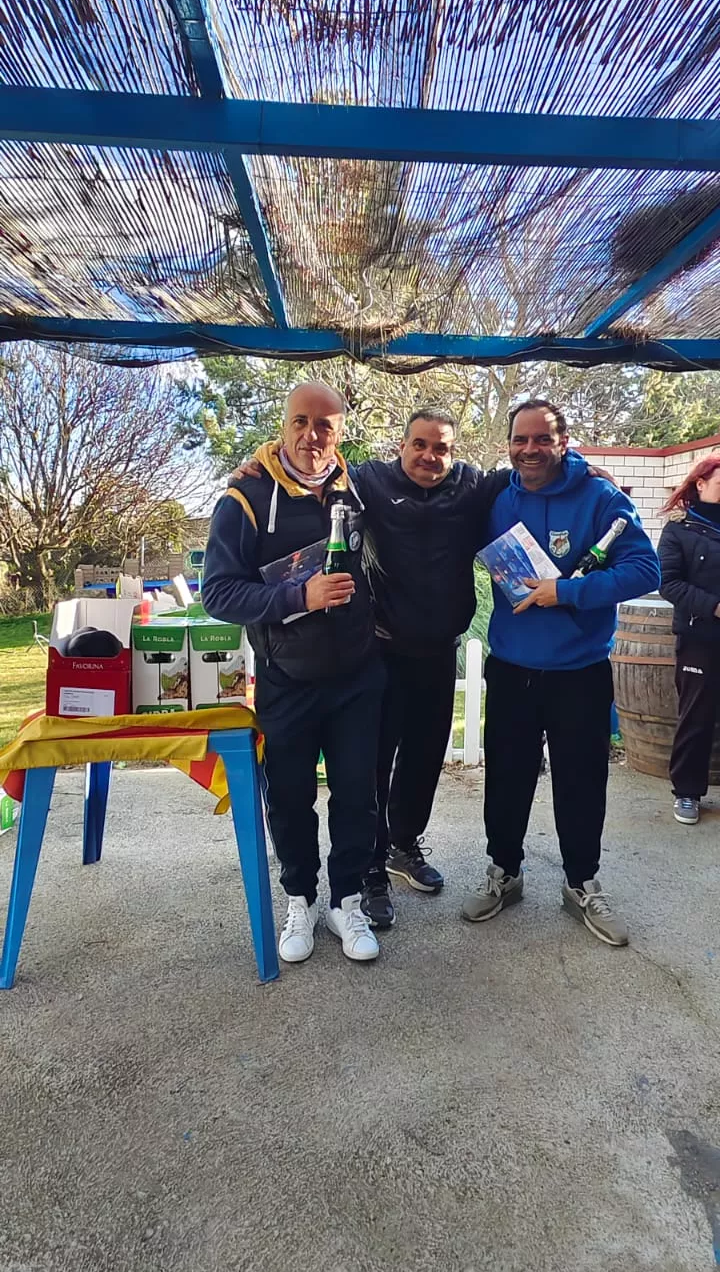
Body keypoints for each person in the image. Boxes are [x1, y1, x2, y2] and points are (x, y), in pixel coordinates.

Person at [232, 407, 512, 929]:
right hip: (381, 650)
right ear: (402, 446)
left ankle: (404, 847)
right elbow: (314, 462)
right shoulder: (369, 482)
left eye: (442, 448)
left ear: (454, 452)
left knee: (426, 759)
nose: (431, 456)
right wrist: (260, 460)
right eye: (420, 445)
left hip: (440, 650)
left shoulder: (472, 486)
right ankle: (369, 873)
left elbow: (527, 467)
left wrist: (582, 468)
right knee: (371, 768)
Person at [462, 399, 660, 946]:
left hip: (581, 672)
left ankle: (581, 883)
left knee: (581, 781)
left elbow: (646, 568)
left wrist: (567, 591)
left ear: (564, 441)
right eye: (520, 439)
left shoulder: (601, 497)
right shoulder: (495, 498)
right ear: (508, 444)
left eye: (542, 439)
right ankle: (505, 873)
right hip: (511, 670)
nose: (530, 449)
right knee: (505, 780)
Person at [202, 382, 384, 967]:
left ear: (341, 431)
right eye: (302, 422)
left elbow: (429, 485)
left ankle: (347, 899)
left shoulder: (357, 489)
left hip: (357, 677)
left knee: (357, 795)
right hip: (286, 678)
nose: (313, 436)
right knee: (290, 799)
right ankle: (300, 899)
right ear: (284, 425)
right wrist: (296, 595)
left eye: (326, 425)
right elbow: (219, 593)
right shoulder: (246, 497)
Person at [657, 454, 720, 826]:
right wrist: (714, 607)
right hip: (699, 636)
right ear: (701, 483)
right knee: (696, 716)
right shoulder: (679, 529)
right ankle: (687, 792)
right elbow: (669, 583)